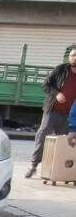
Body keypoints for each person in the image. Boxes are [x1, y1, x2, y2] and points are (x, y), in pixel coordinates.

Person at [25, 45, 76, 177]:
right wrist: (57, 94)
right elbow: (45, 84)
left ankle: (57, 171)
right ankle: (33, 165)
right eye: (71, 55)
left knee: (63, 144)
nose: (73, 58)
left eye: (75, 56)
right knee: (42, 137)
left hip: (69, 115)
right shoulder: (60, 69)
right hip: (52, 111)